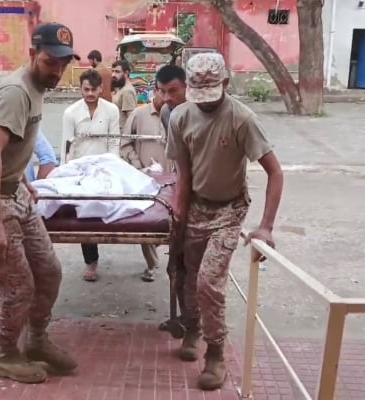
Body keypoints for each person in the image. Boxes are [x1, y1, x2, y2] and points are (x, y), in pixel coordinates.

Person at [0, 22, 79, 384]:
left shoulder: (36, 88)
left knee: (50, 272)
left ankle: (37, 341)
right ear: (31, 54)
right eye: (49, 62)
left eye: (62, 63)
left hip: (15, 193)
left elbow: (12, 148)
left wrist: (24, 180)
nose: (57, 71)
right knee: (18, 284)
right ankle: (7, 353)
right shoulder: (15, 92)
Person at [165, 53, 284, 391]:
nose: (205, 105)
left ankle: (215, 353)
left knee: (208, 282)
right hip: (196, 207)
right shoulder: (180, 117)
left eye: (211, 96)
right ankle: (192, 329)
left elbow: (275, 173)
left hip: (229, 210)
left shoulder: (241, 118)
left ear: (226, 85)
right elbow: (183, 176)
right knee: (184, 277)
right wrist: (178, 214)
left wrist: (266, 227)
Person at [61, 68, 120, 282]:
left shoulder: (111, 110)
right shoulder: (71, 113)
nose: (90, 94)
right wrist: (69, 174)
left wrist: (112, 166)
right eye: (85, 89)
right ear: (80, 89)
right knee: (84, 214)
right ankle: (91, 261)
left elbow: (114, 141)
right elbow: (67, 147)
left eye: (93, 90)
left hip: (105, 167)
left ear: (101, 89)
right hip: (80, 170)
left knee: (112, 211)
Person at [119, 90, 169, 282]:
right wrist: (138, 166)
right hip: (144, 178)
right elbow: (125, 143)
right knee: (147, 221)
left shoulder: (178, 114)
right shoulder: (139, 114)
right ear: (155, 91)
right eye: (163, 92)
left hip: (172, 178)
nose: (166, 97)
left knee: (171, 221)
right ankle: (152, 265)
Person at [155, 64, 187, 132]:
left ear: (186, 86)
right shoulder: (165, 112)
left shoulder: (202, 108)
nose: (166, 98)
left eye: (173, 91)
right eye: (162, 91)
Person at [111, 59, 138, 130]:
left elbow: (131, 118)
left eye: (117, 72)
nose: (113, 75)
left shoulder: (127, 91)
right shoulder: (121, 89)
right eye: (112, 71)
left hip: (123, 136)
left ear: (126, 73)